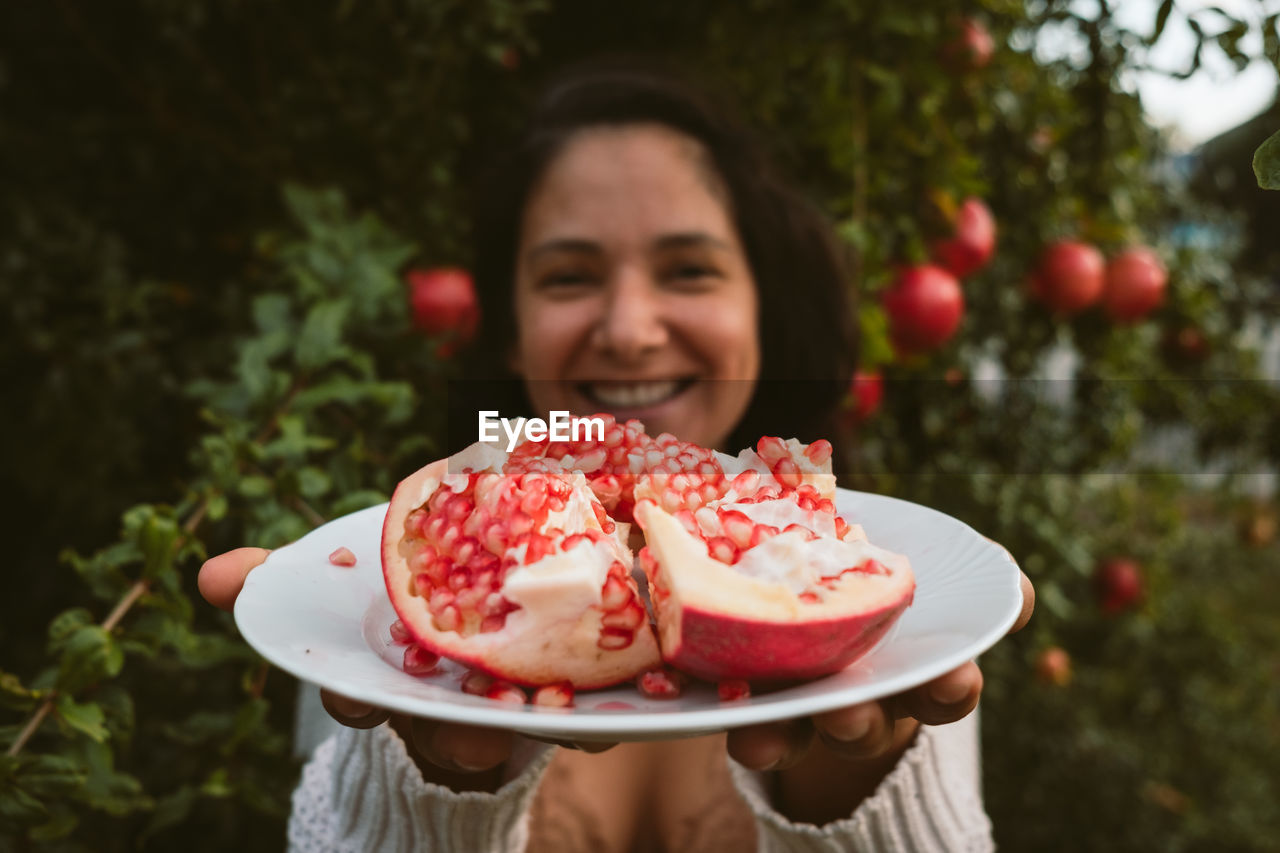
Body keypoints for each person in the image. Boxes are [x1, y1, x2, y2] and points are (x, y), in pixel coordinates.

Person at [200, 58, 1035, 852]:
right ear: (511, 324)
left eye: (689, 270)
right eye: (569, 277)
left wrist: (857, 780)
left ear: (760, 302)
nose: (631, 330)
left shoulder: (880, 623)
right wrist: (420, 789)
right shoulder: (373, 626)